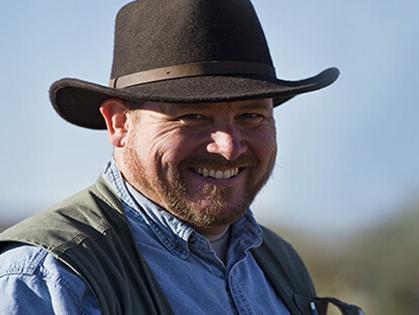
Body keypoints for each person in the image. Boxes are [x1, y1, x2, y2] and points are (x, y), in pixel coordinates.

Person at [0, 0, 361, 314]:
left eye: (251, 116)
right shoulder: (47, 276)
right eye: (193, 116)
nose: (229, 147)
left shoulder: (278, 262)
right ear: (119, 123)